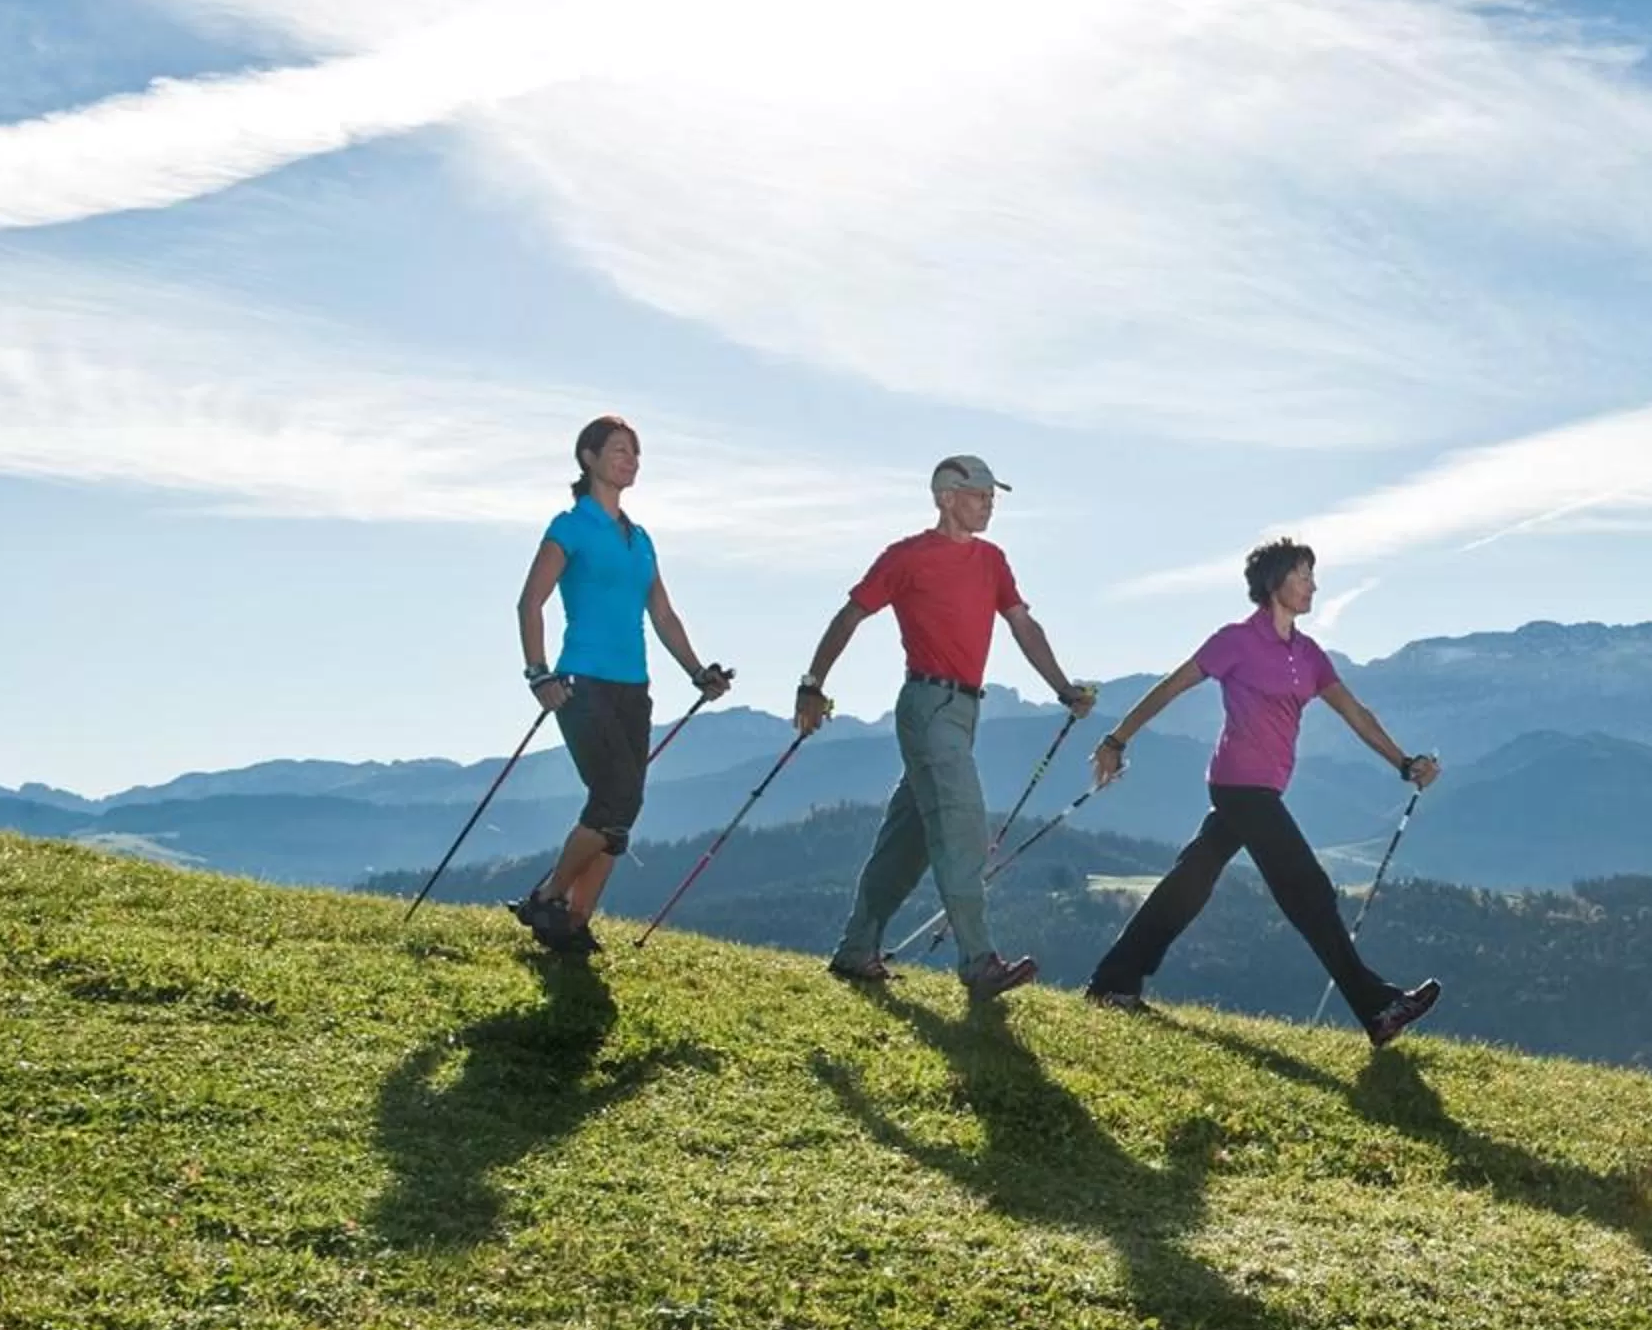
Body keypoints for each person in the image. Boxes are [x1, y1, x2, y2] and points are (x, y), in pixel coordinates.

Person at [1083, 537, 1442, 1046]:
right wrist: (1116, 739)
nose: (1313, 585)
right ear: (1276, 584)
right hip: (1239, 785)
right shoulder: (1234, 641)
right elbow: (1170, 686)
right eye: (1303, 575)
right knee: (1309, 889)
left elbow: (1356, 713)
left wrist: (1404, 762)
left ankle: (1113, 982)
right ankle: (1378, 1005)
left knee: (1191, 881)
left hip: (1264, 787)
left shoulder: (1309, 654)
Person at [795, 454, 1094, 1001]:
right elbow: (850, 616)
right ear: (946, 497)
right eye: (980, 494)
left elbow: (1023, 625)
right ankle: (978, 962)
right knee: (962, 828)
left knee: (906, 843)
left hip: (964, 712)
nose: (989, 503)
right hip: (928, 705)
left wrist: (1062, 687)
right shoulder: (907, 557)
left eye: (991, 495)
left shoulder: (993, 560)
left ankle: (856, 949)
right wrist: (812, 683)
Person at [509, 415, 732, 954]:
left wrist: (698, 672)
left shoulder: (641, 539)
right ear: (587, 458)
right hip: (581, 681)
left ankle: (573, 922)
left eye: (635, 452)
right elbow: (529, 602)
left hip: (635, 687)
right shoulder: (570, 526)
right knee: (615, 795)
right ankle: (549, 895)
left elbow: (662, 612)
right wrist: (538, 673)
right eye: (618, 450)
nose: (630, 459)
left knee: (623, 808)